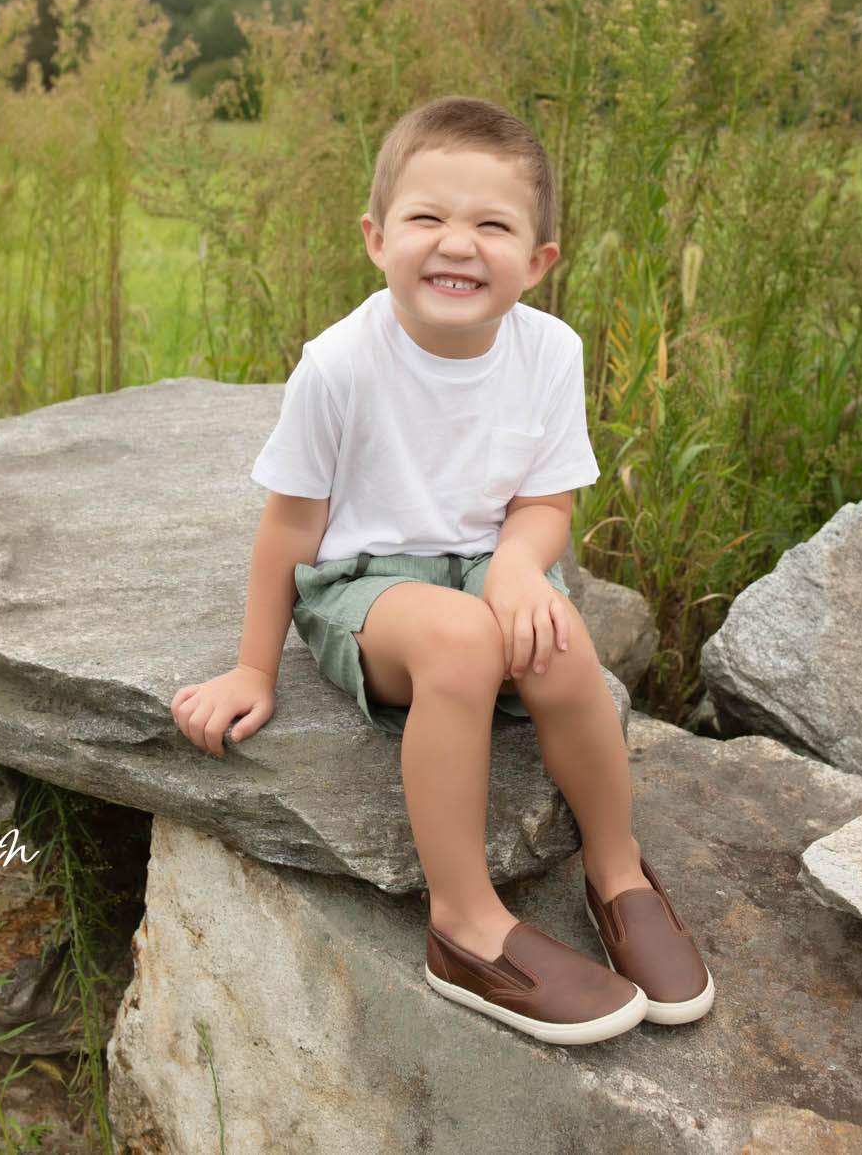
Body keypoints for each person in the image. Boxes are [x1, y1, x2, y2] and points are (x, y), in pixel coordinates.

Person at [169, 95, 713, 1046]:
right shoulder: (340, 365)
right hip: (366, 588)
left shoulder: (549, 349)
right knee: (463, 644)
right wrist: (254, 668)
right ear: (378, 239)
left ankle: (618, 872)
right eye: (428, 218)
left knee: (560, 645)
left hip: (483, 565)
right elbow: (290, 526)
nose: (457, 244)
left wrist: (517, 569)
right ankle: (465, 927)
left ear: (539, 260)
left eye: (493, 224)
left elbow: (545, 504)